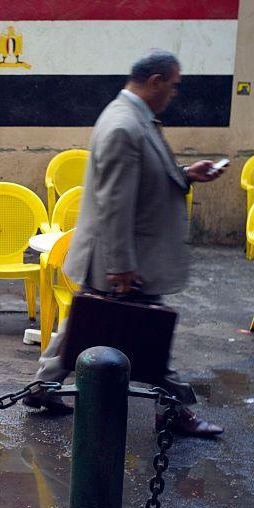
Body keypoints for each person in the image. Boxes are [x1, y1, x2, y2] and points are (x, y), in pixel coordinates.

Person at [24, 49, 225, 438]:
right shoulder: (123, 125)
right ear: (156, 81)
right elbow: (114, 204)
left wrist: (185, 174)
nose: (175, 93)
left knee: (86, 323)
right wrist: (121, 267)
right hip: (123, 258)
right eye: (173, 85)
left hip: (120, 256)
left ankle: (43, 387)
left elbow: (142, 179)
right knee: (148, 334)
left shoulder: (134, 118)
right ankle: (175, 410)